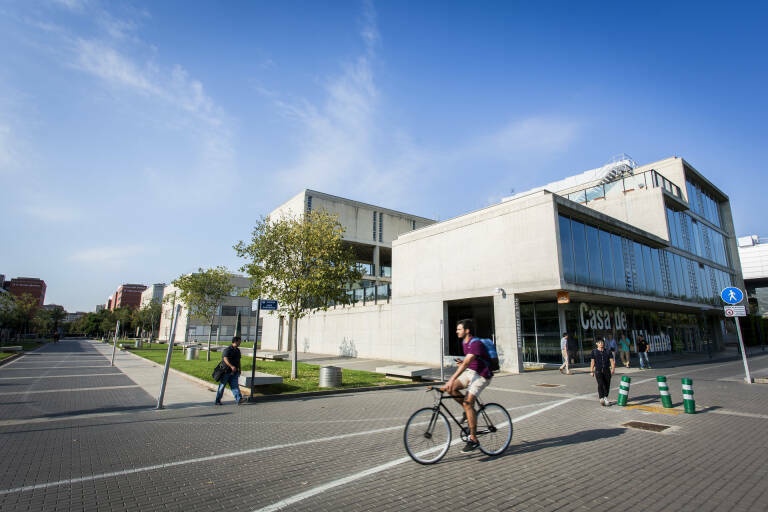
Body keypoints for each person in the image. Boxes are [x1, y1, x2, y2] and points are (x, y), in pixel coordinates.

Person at [442, 319, 493, 453]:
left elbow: (467, 362)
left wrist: (452, 378)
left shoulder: (475, 343)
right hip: (471, 373)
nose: (456, 331)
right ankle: (470, 410)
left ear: (467, 331)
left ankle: (474, 439)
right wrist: (462, 365)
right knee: (451, 389)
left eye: (459, 329)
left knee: (467, 402)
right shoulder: (464, 343)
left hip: (482, 375)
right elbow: (469, 363)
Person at [215, 336, 246, 405]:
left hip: (235, 372)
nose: (240, 343)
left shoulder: (237, 350)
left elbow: (239, 360)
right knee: (222, 386)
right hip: (226, 371)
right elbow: (225, 359)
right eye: (239, 341)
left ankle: (239, 399)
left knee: (235, 386)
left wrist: (240, 369)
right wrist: (231, 366)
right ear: (235, 341)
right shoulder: (227, 350)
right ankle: (218, 400)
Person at [590, 338, 615, 406]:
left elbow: (612, 361)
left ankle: (605, 397)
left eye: (602, 342)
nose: (601, 344)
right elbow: (592, 362)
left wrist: (613, 369)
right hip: (598, 370)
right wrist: (591, 371)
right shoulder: (594, 352)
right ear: (597, 344)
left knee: (607, 384)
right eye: (599, 342)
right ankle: (601, 398)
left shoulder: (608, 351)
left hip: (607, 370)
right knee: (600, 384)